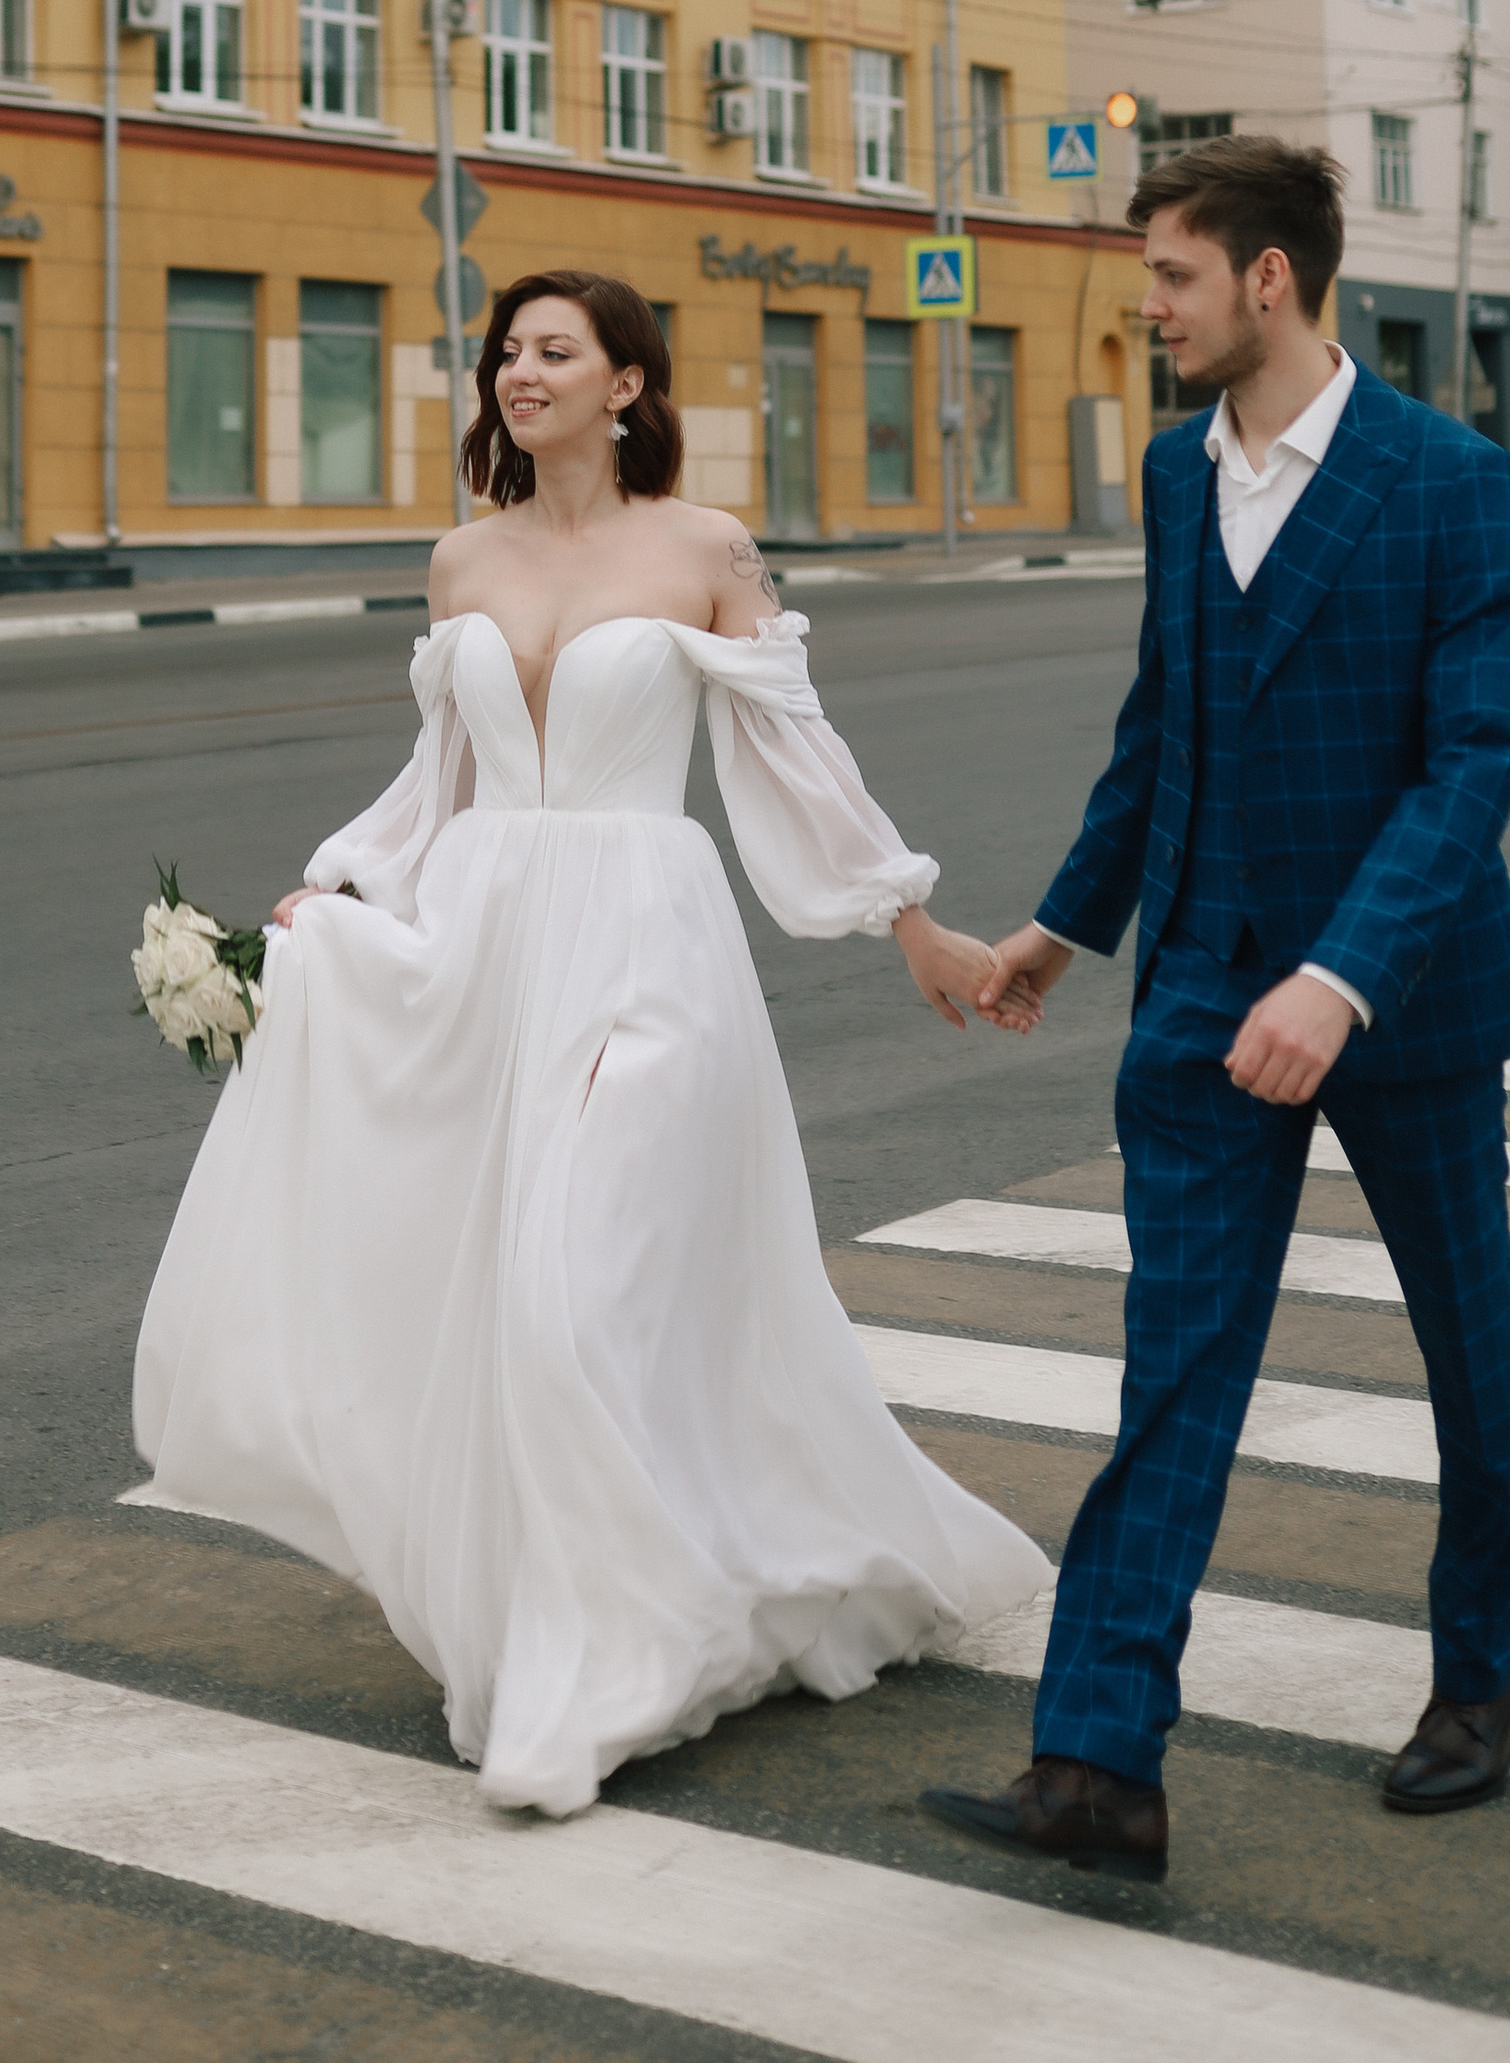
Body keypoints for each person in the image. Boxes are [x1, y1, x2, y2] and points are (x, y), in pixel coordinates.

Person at [135, 265, 1051, 1819]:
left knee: (583, 1290)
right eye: (506, 352)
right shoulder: (460, 559)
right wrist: (342, 888)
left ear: (629, 383)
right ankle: (584, 1635)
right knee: (514, 1304)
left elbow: (792, 751)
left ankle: (605, 1665)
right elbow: (446, 780)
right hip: (489, 950)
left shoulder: (705, 547)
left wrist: (911, 919)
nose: (519, 372)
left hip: (649, 942)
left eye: (555, 350)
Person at [923, 137, 1510, 1887]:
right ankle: (1099, 1761)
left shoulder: (1448, 478)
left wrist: (1341, 978)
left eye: (1174, 276)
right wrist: (1066, 924)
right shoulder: (1175, 468)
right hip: (1200, 988)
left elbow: (1473, 761)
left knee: (1464, 1341)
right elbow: (1165, 723)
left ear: (1268, 279)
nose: (1151, 306)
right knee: (1173, 1367)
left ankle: (1483, 1673)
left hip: (1399, 998)